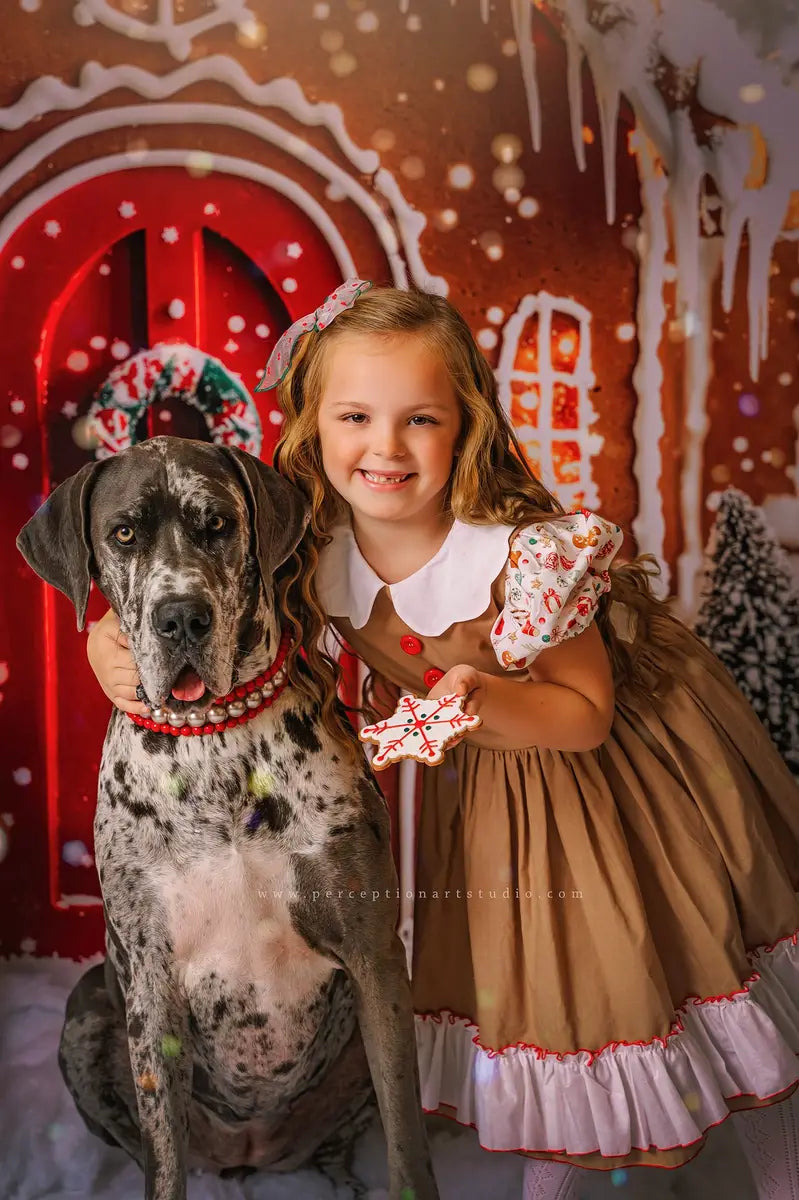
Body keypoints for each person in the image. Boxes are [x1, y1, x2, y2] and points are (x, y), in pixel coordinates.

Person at [87, 281, 799, 1199]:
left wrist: (473, 695)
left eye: (418, 418)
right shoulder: (309, 540)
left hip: (626, 776)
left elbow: (582, 715)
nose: (383, 447)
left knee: (698, 958)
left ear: (466, 426)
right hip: (505, 798)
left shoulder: (518, 552)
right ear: (312, 424)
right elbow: (201, 591)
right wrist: (105, 636)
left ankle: (781, 1169)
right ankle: (562, 1169)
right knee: (554, 986)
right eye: (354, 416)